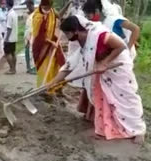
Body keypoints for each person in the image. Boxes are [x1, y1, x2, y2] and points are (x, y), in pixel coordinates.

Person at [48, 15, 146, 144]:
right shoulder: (82, 41)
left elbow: (120, 46)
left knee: (126, 99)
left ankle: (138, 130)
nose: (66, 36)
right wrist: (54, 82)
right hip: (103, 71)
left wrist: (105, 63)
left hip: (118, 68)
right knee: (104, 98)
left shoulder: (99, 35)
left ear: (75, 30)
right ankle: (107, 130)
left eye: (67, 33)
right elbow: (70, 65)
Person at [32, 0, 70, 87]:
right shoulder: (37, 17)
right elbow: (38, 36)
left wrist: (67, 4)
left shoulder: (52, 11)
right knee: (45, 69)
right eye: (45, 8)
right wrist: (51, 42)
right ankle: (44, 88)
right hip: (42, 48)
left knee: (56, 66)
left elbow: (59, 16)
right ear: (41, 5)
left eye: (49, 7)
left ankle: (57, 88)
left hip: (53, 45)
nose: (47, 9)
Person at [4, 0, 18, 74]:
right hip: (14, 37)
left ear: (7, 4)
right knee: (13, 52)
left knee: (7, 53)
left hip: (9, 38)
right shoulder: (14, 13)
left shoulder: (9, 14)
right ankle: (14, 69)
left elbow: (9, 28)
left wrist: (6, 39)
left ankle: (11, 69)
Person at [24, 0, 36, 74]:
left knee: (33, 53)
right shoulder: (29, 15)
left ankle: (34, 68)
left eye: (28, 5)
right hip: (27, 36)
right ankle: (29, 68)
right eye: (26, 5)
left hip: (33, 36)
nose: (27, 7)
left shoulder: (36, 14)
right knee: (27, 52)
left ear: (31, 4)